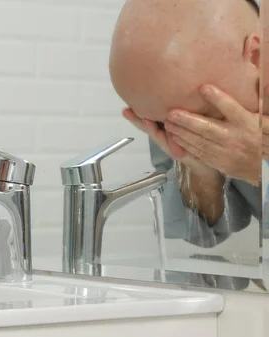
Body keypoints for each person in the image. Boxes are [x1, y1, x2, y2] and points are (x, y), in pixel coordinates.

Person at [109, 0, 261, 247]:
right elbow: (203, 237)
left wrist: (259, 166)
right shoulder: (172, 101)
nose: (188, 134)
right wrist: (200, 172)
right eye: (161, 124)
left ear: (256, 55)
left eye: (201, 119)